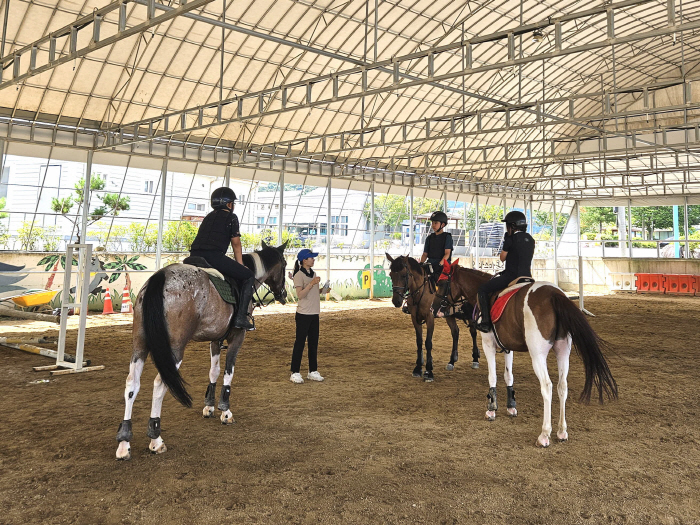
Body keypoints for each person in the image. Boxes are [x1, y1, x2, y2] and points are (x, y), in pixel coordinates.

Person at [189, 187, 255, 331]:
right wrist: (241, 265)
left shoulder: (208, 216)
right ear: (229, 204)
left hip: (193, 255)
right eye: (232, 203)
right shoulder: (231, 217)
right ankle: (240, 318)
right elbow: (236, 243)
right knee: (249, 276)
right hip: (213, 256)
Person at [475, 210, 535, 333]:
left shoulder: (510, 239)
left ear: (512, 226)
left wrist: (506, 242)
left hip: (512, 277)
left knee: (482, 289)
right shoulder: (531, 239)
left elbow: (502, 258)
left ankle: (486, 322)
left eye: (507, 225)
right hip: (528, 276)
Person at [289, 248, 328, 384]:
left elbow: (312, 293)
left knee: (313, 343)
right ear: (304, 260)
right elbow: (300, 295)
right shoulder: (299, 275)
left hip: (314, 313)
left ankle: (313, 370)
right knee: (300, 343)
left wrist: (323, 290)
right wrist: (312, 284)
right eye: (311, 258)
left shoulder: (313, 273)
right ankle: (295, 371)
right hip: (303, 313)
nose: (313, 259)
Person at [420, 211, 453, 281]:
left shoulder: (447, 237)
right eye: (432, 223)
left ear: (443, 224)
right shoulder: (429, 238)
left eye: (436, 223)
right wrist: (421, 264)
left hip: (443, 266)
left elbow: (447, 254)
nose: (433, 225)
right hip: (430, 265)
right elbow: (425, 254)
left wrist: (439, 265)